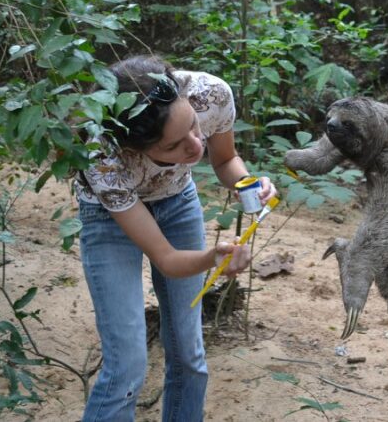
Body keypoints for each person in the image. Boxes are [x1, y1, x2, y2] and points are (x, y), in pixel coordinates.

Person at [73, 55, 277, 422]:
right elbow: (166, 258)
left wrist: (250, 185)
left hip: (177, 201)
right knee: (127, 366)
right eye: (173, 147)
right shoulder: (100, 153)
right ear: (132, 147)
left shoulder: (210, 94)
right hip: (108, 218)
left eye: (194, 128)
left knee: (188, 352)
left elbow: (224, 160)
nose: (195, 147)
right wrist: (212, 258)